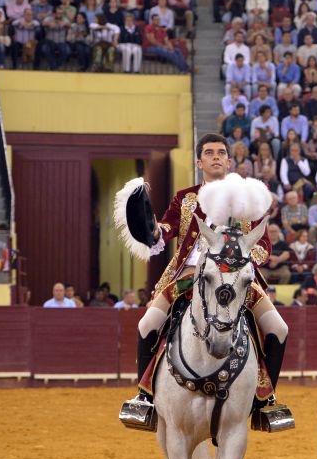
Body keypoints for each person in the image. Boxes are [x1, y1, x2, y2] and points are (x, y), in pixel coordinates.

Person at [120, 133, 292, 431]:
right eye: (209, 152)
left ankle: (266, 402)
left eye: (221, 152)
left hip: (236, 278)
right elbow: (167, 227)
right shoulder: (186, 198)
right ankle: (144, 399)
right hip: (188, 278)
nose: (215, 157)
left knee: (278, 328)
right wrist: (152, 230)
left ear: (228, 161)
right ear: (199, 161)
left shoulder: (248, 199)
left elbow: (263, 246)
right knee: (147, 325)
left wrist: (244, 254)